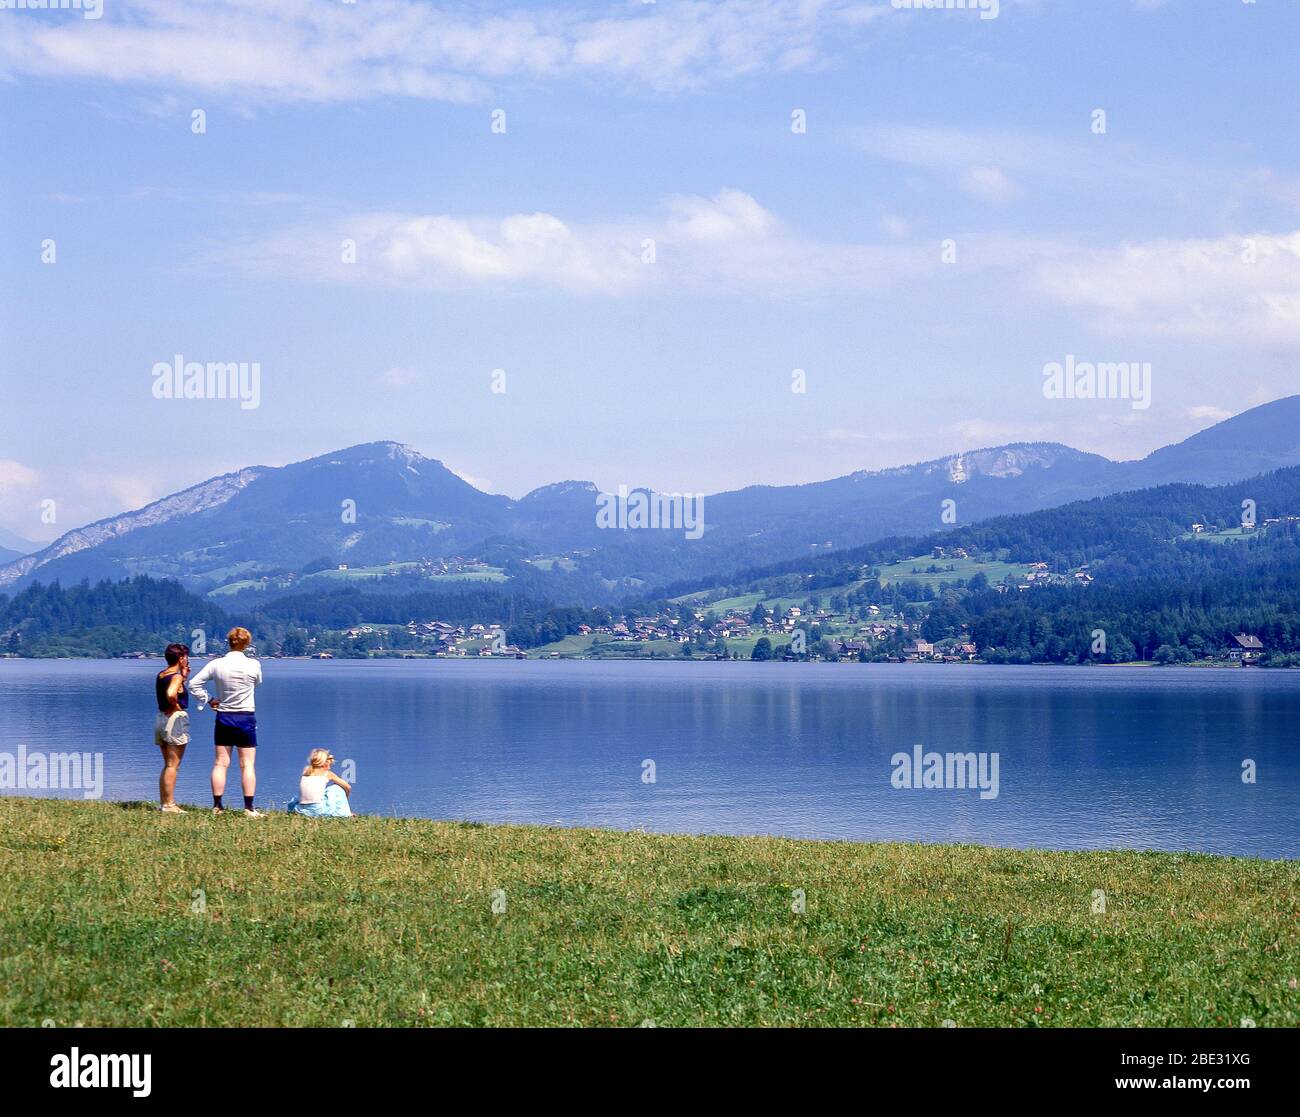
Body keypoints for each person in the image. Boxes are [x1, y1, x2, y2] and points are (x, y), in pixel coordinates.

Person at [189, 626, 264, 817]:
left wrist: (209, 699)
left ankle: (217, 806)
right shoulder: (253, 664)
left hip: (224, 716)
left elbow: (193, 684)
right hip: (246, 717)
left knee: (221, 763)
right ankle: (248, 808)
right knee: (247, 764)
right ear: (247, 643)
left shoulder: (217, 664)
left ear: (228, 642)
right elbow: (257, 682)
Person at [154, 643, 190, 813]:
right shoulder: (175, 677)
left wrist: (183, 676)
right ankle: (169, 805)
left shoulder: (162, 674)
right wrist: (176, 706)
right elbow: (171, 694)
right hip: (174, 720)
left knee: (167, 764)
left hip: (161, 719)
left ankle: (165, 802)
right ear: (181, 658)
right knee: (173, 765)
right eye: (185, 657)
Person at [287, 749, 353, 818]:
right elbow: (348, 787)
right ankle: (345, 813)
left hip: (302, 810)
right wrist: (344, 801)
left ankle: (291, 811)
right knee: (337, 788)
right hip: (319, 811)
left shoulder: (306, 772)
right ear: (326, 763)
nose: (329, 768)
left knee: (306, 793)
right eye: (329, 765)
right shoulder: (327, 774)